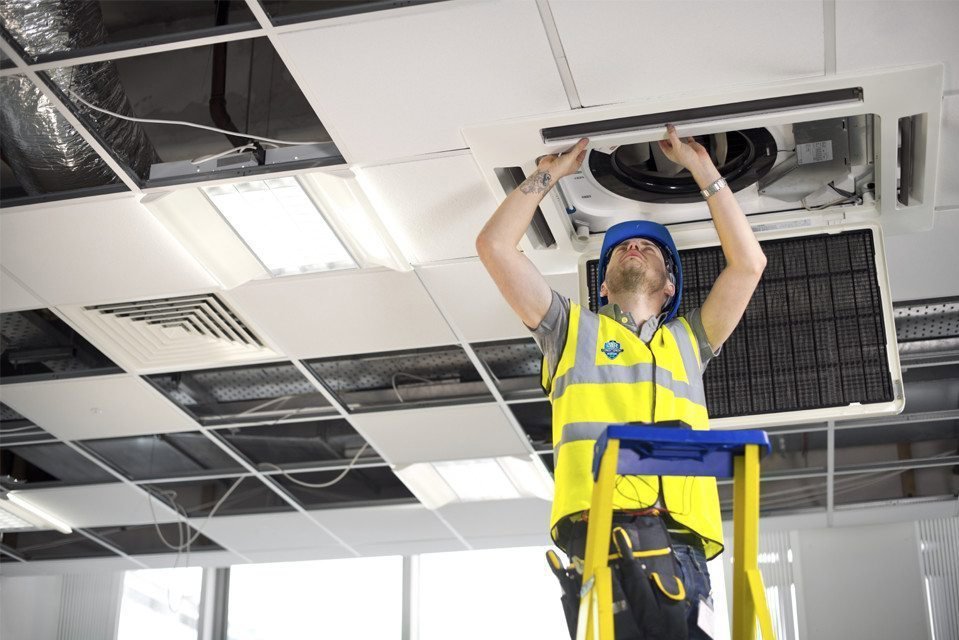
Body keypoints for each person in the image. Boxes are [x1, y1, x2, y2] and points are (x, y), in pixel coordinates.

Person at [475, 125, 767, 639]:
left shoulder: (689, 341)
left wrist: (703, 168)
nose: (634, 245)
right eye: (621, 248)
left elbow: (749, 264)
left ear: (670, 284)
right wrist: (547, 174)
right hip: (598, 532)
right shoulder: (569, 331)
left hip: (680, 542)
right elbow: (495, 247)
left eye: (649, 248)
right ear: (603, 282)